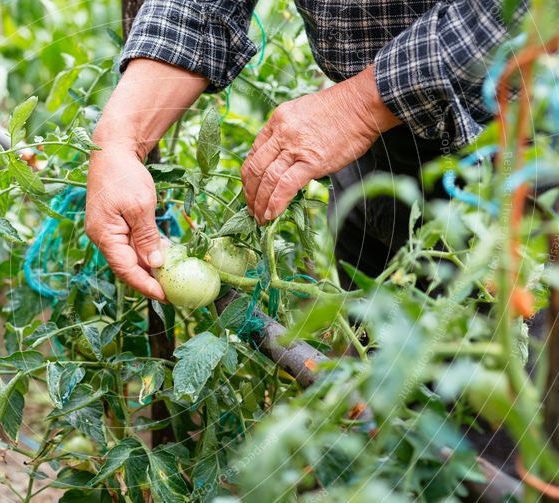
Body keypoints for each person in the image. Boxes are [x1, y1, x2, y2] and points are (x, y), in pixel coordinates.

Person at [85, 0, 523, 298]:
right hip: (372, 148)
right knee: (385, 373)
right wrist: (121, 138)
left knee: (510, 396)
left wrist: (361, 104)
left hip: (524, 137)